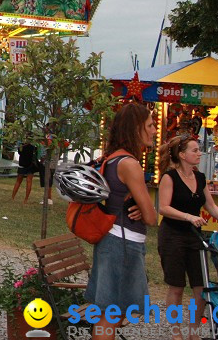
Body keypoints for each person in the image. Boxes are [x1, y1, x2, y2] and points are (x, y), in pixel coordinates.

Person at [86, 102, 158, 340]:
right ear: (136, 128)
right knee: (110, 314)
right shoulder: (130, 164)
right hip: (123, 242)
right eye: (150, 125)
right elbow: (151, 217)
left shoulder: (113, 158)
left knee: (109, 312)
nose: (154, 130)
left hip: (112, 239)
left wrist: (138, 203)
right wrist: (144, 205)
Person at [157, 135, 218, 340]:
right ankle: (175, 332)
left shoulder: (200, 177)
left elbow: (210, 205)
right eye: (195, 150)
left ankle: (193, 331)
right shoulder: (169, 177)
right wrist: (188, 216)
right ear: (182, 155)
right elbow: (164, 207)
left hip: (195, 237)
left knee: (201, 287)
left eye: (199, 150)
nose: (199, 153)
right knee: (176, 287)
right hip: (172, 236)